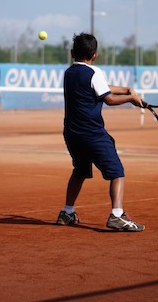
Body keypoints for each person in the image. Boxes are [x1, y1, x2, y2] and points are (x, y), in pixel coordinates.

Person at [57, 33, 145, 232]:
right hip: (92, 134)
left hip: (72, 134)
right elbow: (108, 99)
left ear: (72, 53)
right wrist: (130, 99)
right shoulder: (94, 72)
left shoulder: (69, 73)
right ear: (95, 55)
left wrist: (126, 89)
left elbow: (99, 88)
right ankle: (116, 216)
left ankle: (67, 212)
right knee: (117, 173)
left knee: (79, 171)